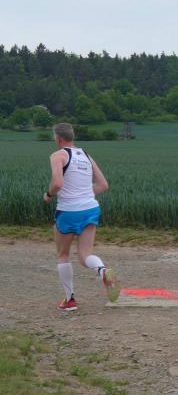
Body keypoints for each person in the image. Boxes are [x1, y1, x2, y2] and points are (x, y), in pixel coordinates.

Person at [45, 122, 119, 311]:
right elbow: (103, 185)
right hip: (90, 208)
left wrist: (48, 194)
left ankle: (70, 300)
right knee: (85, 255)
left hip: (68, 211)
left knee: (63, 254)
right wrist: (83, 194)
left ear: (58, 139)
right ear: (72, 137)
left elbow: (58, 183)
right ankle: (103, 271)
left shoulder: (58, 155)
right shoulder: (85, 155)